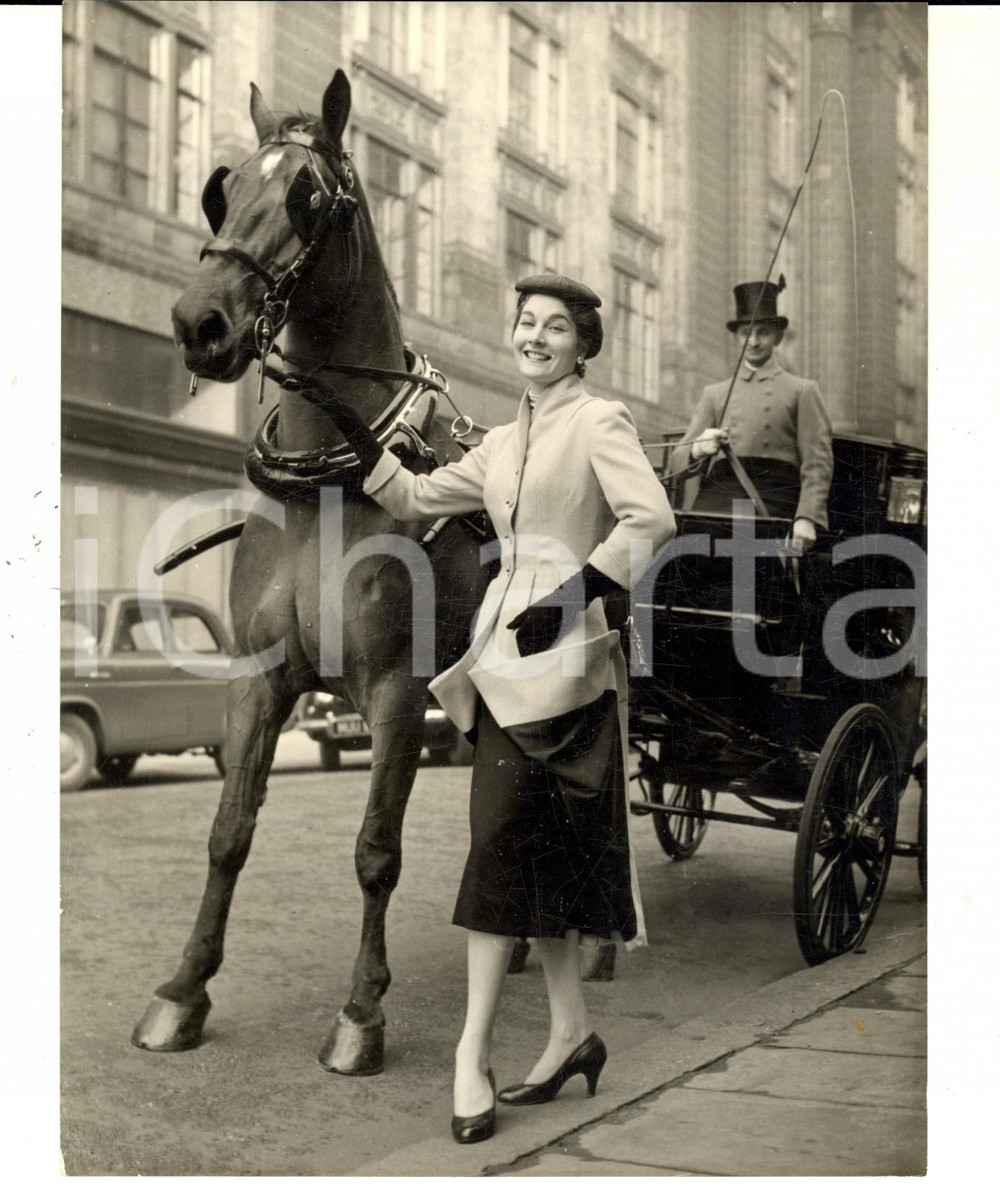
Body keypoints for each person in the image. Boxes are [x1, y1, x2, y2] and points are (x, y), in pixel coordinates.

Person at [323, 274, 675, 1144]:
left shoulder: (599, 421)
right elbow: (413, 497)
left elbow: (651, 517)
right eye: (526, 323)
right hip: (501, 668)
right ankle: (570, 1033)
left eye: (555, 327)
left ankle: (470, 1055)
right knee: (528, 857)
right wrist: (356, 437)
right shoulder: (502, 440)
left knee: (497, 853)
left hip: (565, 675)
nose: (535, 337)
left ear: (583, 346)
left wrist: (576, 592)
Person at [676, 278, 833, 546]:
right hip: (719, 495)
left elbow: (817, 462)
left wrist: (806, 517)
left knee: (753, 564)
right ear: (736, 338)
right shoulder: (715, 394)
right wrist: (698, 449)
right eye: (746, 332)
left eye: (763, 332)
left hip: (774, 496)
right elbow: (677, 460)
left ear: (778, 337)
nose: (754, 341)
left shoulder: (803, 390)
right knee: (692, 554)